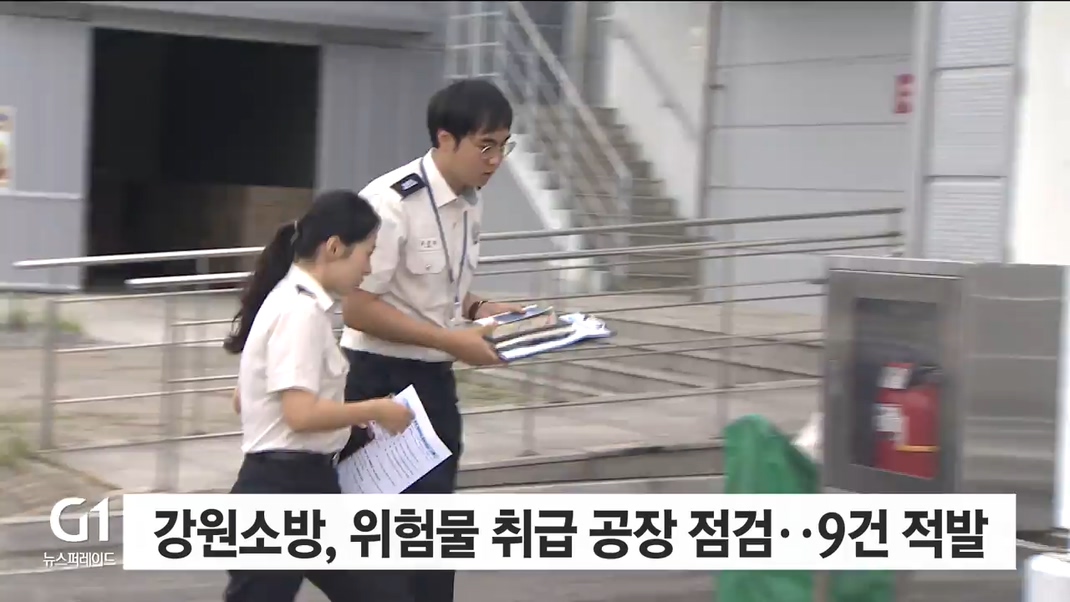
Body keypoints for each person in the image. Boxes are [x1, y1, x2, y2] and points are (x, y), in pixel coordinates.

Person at [339, 78, 523, 602]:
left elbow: (437, 286)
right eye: (485, 146)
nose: (496, 160)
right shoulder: (389, 203)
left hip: (434, 382)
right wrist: (451, 340)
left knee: (435, 536)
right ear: (445, 139)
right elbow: (356, 305)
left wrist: (479, 308)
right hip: (379, 380)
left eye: (504, 146)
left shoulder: (469, 200)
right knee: (384, 543)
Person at [222, 189, 416, 602]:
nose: (369, 268)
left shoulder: (290, 301)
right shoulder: (300, 313)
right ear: (334, 248)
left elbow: (244, 399)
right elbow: (299, 414)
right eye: (367, 254)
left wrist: (344, 421)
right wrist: (375, 409)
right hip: (283, 492)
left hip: (299, 484)